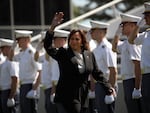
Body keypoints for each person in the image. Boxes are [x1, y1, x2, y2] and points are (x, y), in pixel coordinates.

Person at [44, 12, 115, 113]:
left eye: (77, 39)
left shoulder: (88, 55)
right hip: (66, 97)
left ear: (82, 41)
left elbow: (97, 73)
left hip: (83, 97)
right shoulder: (63, 53)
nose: (74, 41)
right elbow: (48, 47)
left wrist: (109, 88)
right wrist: (52, 27)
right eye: (72, 39)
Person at [112, 13, 144, 113]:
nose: (122, 28)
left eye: (124, 25)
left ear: (132, 26)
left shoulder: (133, 43)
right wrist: (117, 34)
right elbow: (114, 48)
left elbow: (137, 64)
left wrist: (137, 88)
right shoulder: (127, 42)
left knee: (135, 109)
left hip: (133, 80)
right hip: (128, 80)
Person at [34, 29, 69, 113]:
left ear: (63, 40)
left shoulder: (67, 52)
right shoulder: (54, 52)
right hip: (53, 85)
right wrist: (39, 49)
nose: (54, 42)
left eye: (55, 40)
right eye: (53, 40)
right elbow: (39, 58)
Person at [89, 20, 118, 113]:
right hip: (99, 85)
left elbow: (113, 70)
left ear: (101, 32)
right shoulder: (96, 49)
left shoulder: (107, 48)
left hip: (106, 85)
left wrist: (110, 90)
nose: (91, 33)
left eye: (94, 30)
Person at [128, 2, 150, 113]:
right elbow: (131, 40)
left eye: (147, 16)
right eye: (145, 16)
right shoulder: (146, 34)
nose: (145, 18)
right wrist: (138, 25)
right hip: (146, 76)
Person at [13, 30, 42, 113]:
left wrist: (34, 89)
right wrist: (12, 48)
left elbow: (40, 71)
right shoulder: (22, 53)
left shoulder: (31, 53)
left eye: (19, 40)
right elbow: (11, 58)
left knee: (30, 110)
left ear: (27, 40)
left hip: (30, 86)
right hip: (23, 85)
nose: (18, 42)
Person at [77, 23, 97, 113]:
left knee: (92, 108)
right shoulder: (79, 45)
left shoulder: (92, 44)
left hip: (91, 81)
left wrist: (92, 87)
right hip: (81, 81)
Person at [0, 38, 19, 113]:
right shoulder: (5, 62)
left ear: (9, 49)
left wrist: (11, 96)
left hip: (9, 91)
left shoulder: (11, 63)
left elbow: (15, 79)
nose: (1, 51)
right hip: (4, 91)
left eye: (3, 48)